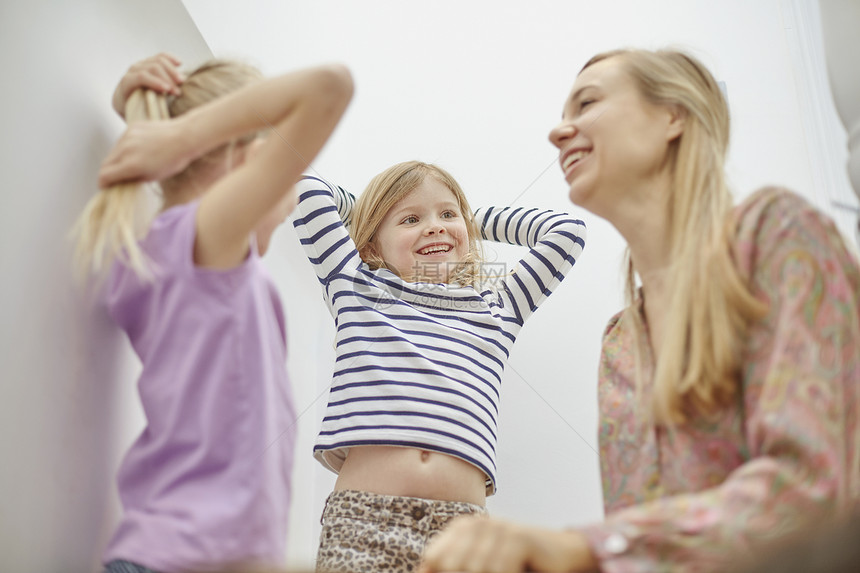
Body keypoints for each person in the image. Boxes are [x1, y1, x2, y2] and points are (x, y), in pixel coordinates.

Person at [419, 48, 860, 573]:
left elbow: (813, 485)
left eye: (587, 103)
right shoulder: (621, 341)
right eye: (562, 117)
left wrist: (584, 548)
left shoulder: (776, 233)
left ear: (673, 114)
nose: (559, 133)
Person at [74, 53, 353, 573]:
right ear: (247, 159)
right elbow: (330, 85)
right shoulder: (202, 240)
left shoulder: (169, 252)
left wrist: (148, 120)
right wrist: (181, 136)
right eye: (288, 165)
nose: (293, 190)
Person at [290, 160, 587, 572]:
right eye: (410, 219)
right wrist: (372, 209)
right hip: (363, 523)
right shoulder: (356, 289)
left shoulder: (498, 309)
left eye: (447, 215)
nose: (435, 227)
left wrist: (465, 216)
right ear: (373, 246)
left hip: (461, 534)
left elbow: (568, 232)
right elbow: (304, 189)